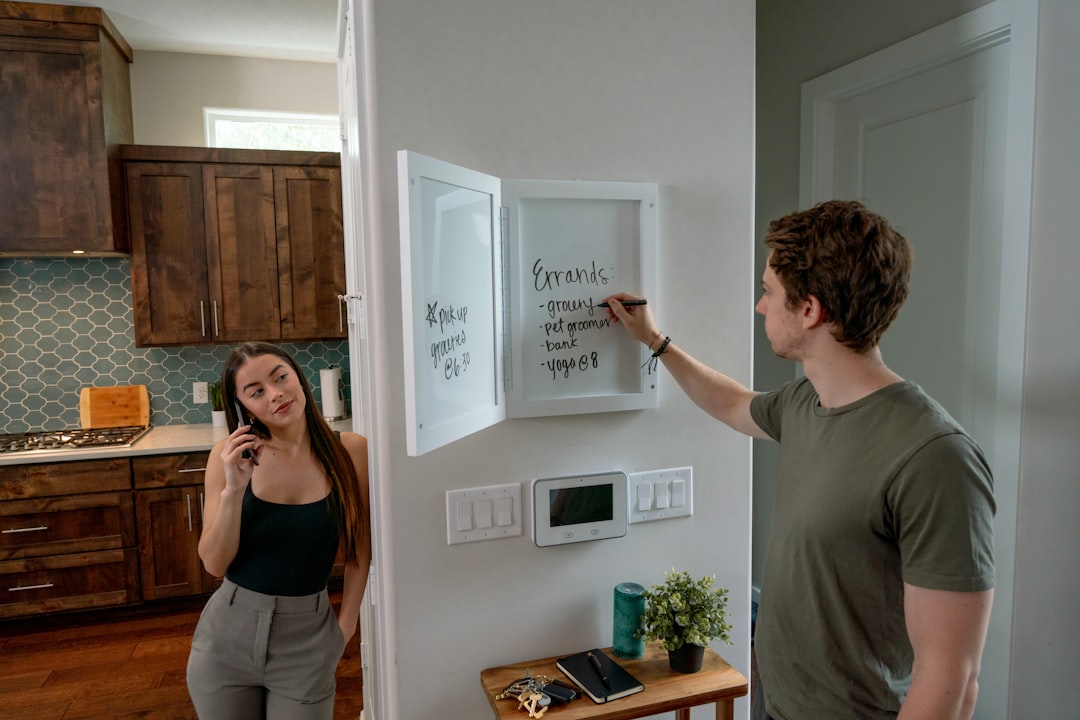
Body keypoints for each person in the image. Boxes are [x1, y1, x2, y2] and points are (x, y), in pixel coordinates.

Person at [602, 200, 995, 720]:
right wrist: (654, 340)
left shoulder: (935, 458)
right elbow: (731, 402)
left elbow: (953, 678)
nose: (760, 306)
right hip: (775, 704)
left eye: (769, 292)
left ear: (810, 310)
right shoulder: (805, 403)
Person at [186, 342, 371, 719]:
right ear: (244, 407)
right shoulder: (227, 458)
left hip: (308, 638)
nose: (276, 394)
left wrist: (346, 626)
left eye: (280, 377)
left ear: (298, 378)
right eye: (256, 392)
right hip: (227, 640)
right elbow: (214, 564)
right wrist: (234, 489)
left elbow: (361, 546)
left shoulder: (350, 451)